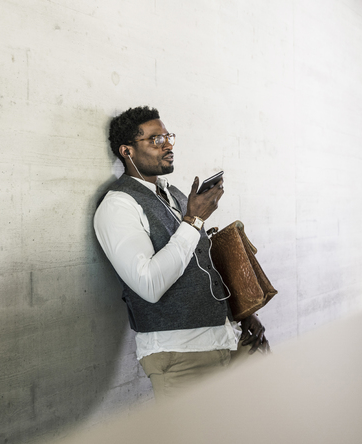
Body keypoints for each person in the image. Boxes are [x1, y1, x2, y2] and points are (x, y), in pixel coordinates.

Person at [94, 106, 269, 400]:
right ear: (127, 151)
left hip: (229, 338)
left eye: (168, 136)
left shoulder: (173, 192)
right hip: (182, 357)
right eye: (155, 140)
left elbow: (200, 263)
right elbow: (149, 284)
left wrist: (240, 315)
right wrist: (193, 220)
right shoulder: (118, 206)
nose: (168, 145)